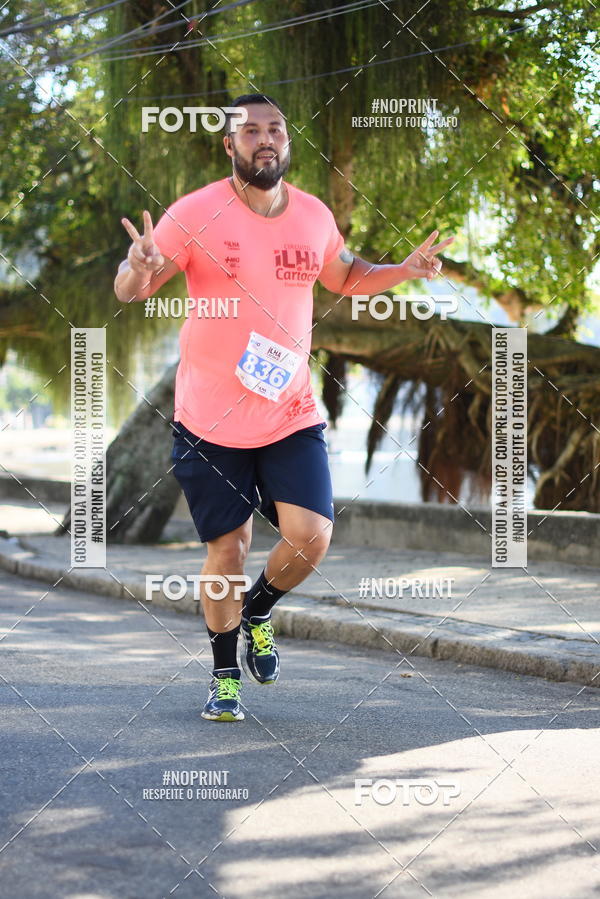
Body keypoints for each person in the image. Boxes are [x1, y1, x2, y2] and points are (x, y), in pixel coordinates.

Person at [114, 93, 453, 722]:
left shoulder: (314, 215)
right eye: (250, 130)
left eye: (275, 129)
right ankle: (223, 677)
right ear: (229, 144)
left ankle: (259, 609)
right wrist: (137, 268)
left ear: (287, 141)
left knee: (312, 536)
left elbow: (345, 274)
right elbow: (133, 289)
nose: (265, 138)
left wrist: (404, 270)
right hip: (209, 418)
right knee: (229, 551)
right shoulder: (194, 213)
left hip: (289, 410)